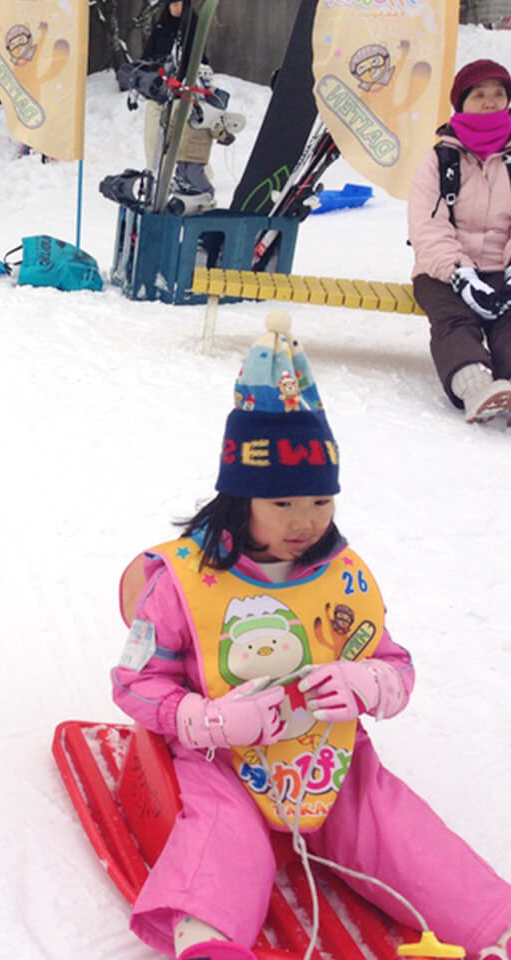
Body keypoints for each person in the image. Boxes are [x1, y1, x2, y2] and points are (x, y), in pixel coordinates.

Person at [111, 314, 511, 960]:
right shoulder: (186, 580)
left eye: (320, 503)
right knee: (225, 835)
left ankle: (495, 924)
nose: (305, 522)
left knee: (390, 823)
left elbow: (396, 666)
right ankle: (207, 938)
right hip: (224, 760)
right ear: (241, 496)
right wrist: (208, 720)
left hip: (325, 758)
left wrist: (364, 682)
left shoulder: (339, 576)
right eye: (284, 505)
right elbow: (134, 683)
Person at [409, 58, 511, 423]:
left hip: (502, 267)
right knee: (455, 321)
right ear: (461, 102)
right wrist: (460, 274)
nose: (490, 101)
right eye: (479, 94)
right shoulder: (439, 160)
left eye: (498, 94)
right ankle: (475, 387)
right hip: (443, 272)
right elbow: (427, 224)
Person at [139, 0, 239, 212]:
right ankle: (155, 179)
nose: (176, 9)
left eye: (179, 4)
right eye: (172, 4)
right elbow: (149, 56)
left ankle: (190, 179)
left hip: (183, 93)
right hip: (158, 91)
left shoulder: (193, 26)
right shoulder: (162, 26)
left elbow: (199, 59)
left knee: (183, 141)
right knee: (153, 137)